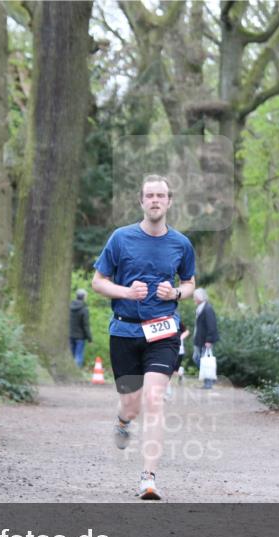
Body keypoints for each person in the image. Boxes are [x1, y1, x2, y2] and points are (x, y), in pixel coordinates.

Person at [92, 174, 196, 500]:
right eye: (149, 195)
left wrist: (176, 291)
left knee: (154, 400)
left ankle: (148, 478)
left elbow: (191, 284)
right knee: (132, 404)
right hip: (124, 330)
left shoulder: (181, 243)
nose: (154, 200)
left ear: (169, 202)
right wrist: (126, 291)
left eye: (160, 196)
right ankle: (123, 420)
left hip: (163, 330)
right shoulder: (121, 239)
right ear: (141, 201)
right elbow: (98, 281)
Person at [192, 288, 219, 389]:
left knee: (204, 361)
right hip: (199, 339)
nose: (193, 299)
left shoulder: (207, 308)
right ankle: (210, 379)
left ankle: (209, 381)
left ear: (200, 297)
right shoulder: (200, 308)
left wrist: (209, 340)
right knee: (197, 359)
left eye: (195, 297)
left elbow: (212, 325)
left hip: (205, 340)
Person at [68, 289, 91, 368]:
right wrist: (89, 338)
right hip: (80, 337)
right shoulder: (84, 309)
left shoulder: (69, 307)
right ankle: (76, 371)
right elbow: (86, 325)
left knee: (71, 355)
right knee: (78, 355)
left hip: (70, 335)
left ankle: (70, 370)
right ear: (84, 297)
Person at [166, 321, 189, 399]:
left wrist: (181, 337)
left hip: (179, 351)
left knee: (171, 372)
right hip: (168, 350)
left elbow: (187, 331)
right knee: (170, 371)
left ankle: (168, 393)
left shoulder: (177, 320)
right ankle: (168, 392)